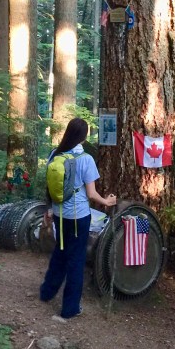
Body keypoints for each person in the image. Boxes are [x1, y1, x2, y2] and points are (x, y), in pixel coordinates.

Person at [39, 117, 117, 320]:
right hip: (78, 217)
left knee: (60, 253)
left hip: (59, 214)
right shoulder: (86, 159)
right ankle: (70, 308)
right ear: (84, 136)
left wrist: (49, 210)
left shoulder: (54, 155)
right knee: (76, 260)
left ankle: (46, 293)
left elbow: (49, 187)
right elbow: (91, 194)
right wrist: (107, 202)